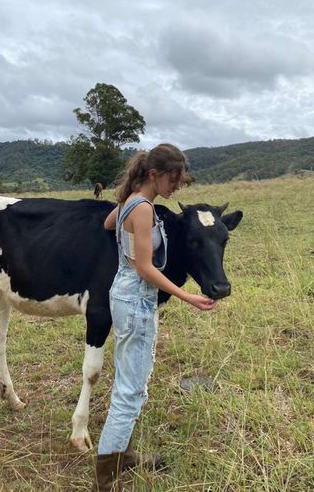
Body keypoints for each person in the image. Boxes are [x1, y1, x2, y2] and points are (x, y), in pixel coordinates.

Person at [92, 143, 216, 491]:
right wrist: (187, 295)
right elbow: (145, 267)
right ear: (154, 175)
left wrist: (129, 216)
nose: (176, 186)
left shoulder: (131, 201)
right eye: (173, 179)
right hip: (136, 301)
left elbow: (108, 223)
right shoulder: (143, 209)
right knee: (131, 390)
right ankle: (106, 477)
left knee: (128, 381)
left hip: (123, 294)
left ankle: (123, 457)